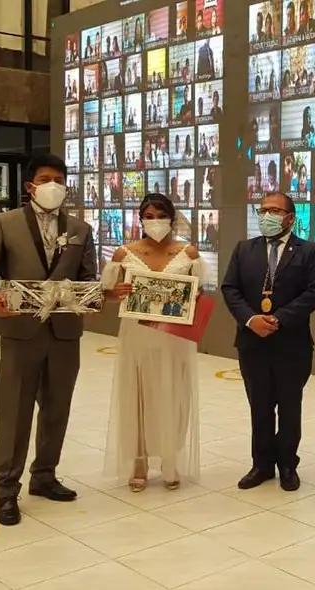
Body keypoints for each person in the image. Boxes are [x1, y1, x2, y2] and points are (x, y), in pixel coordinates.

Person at [0, 154, 98, 526]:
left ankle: (44, 475)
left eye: (59, 179)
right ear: (30, 186)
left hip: (64, 332)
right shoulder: (4, 223)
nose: (53, 185)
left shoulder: (79, 228)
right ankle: (6, 489)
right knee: (15, 411)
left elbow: (87, 279)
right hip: (20, 331)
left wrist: (99, 292)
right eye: (46, 179)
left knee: (57, 408)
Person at [101, 194, 206, 492]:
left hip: (175, 337)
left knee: (175, 394)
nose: (155, 220)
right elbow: (107, 294)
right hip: (138, 335)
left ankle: (171, 458)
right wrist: (116, 292)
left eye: (161, 214)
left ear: (172, 218)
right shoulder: (124, 253)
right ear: (140, 219)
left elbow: (199, 295)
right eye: (149, 215)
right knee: (138, 396)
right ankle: (139, 460)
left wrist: (194, 299)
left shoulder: (189, 254)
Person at [221, 192, 315, 492]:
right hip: (252, 342)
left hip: (291, 344)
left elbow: (314, 292)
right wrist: (251, 320)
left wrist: (279, 318)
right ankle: (261, 465)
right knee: (260, 407)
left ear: (290, 218)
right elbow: (231, 288)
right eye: (263, 209)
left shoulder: (309, 251)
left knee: (290, 408)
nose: (267, 215)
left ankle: (288, 465)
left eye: (275, 210)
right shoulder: (244, 249)